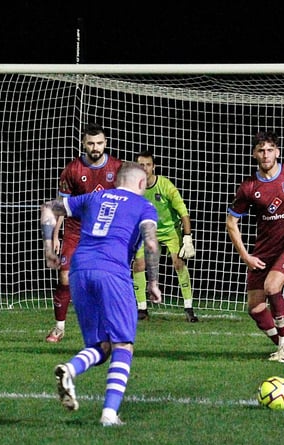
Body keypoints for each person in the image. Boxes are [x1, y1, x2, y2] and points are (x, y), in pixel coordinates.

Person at [40, 162, 162, 426]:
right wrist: (152, 281)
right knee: (123, 344)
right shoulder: (144, 206)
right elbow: (151, 242)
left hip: (79, 271)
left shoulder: (94, 196)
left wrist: (50, 248)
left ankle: (69, 370)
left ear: (117, 181)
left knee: (101, 346)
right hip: (112, 272)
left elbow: (49, 208)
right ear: (141, 184)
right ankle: (109, 414)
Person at [226, 131, 284, 363]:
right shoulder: (248, 187)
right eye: (261, 150)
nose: (266, 154)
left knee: (272, 287)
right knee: (256, 308)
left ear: (277, 152)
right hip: (263, 250)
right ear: (253, 154)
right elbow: (231, 222)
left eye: (270, 150)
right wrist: (246, 256)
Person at [46, 123, 124, 343]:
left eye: (99, 143)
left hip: (105, 232)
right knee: (64, 277)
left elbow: (125, 201)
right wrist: (55, 236)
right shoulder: (72, 170)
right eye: (91, 143)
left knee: (105, 280)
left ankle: (108, 327)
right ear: (83, 144)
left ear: (105, 143)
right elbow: (61, 206)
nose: (95, 147)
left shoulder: (117, 168)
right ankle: (59, 327)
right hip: (75, 231)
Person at [132, 151, 198, 322]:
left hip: (169, 231)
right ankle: (142, 309)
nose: (144, 168)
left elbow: (183, 213)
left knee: (178, 263)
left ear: (153, 167)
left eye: (148, 164)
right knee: (138, 265)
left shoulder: (165, 185)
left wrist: (187, 238)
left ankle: (189, 307)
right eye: (141, 165)